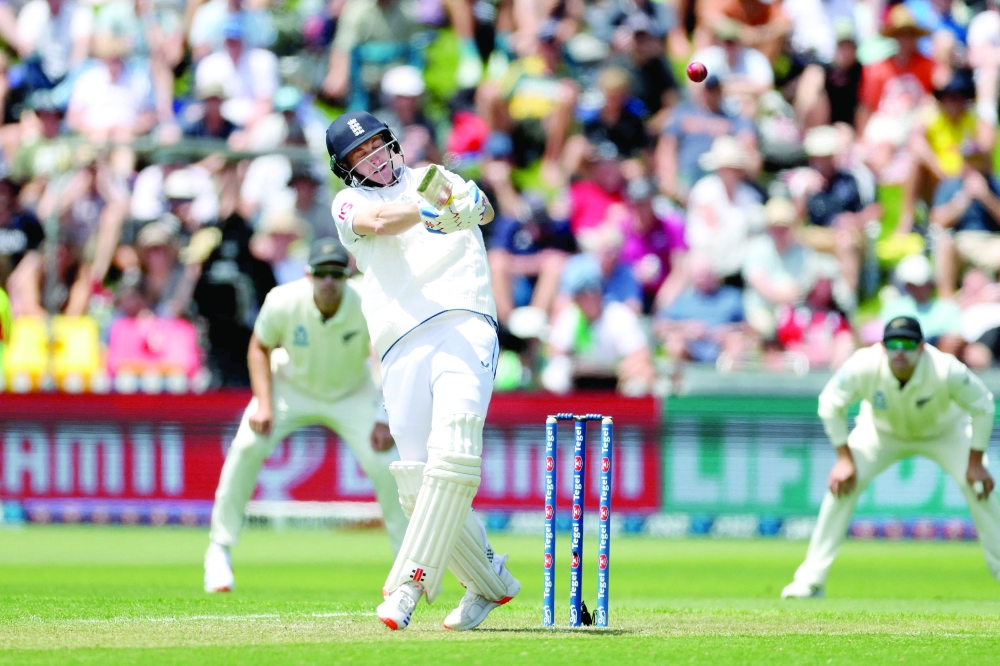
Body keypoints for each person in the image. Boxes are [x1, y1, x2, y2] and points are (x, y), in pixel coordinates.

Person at [326, 111, 520, 631]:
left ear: (391, 144)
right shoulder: (349, 203)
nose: (371, 158)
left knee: (454, 451)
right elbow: (382, 223)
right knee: (418, 483)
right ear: (346, 169)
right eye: (357, 156)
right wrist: (431, 209)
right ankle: (490, 581)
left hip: (464, 320)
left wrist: (468, 206)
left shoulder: (438, 175)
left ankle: (408, 586)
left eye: (375, 146)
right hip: (399, 343)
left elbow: (482, 210)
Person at [204, 238, 407, 593]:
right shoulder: (282, 300)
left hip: (352, 391)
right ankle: (218, 551)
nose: (329, 282)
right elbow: (260, 346)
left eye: (336, 274)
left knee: (386, 463)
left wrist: (381, 414)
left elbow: (387, 356)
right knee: (246, 446)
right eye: (321, 274)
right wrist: (264, 403)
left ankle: (406, 567)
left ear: (347, 276)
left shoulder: (368, 302)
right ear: (307, 275)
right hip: (290, 387)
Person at [782, 316, 1000, 598]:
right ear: (882, 347)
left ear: (921, 347)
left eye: (907, 344)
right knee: (840, 487)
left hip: (945, 433)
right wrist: (844, 459)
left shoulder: (947, 369)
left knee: (981, 487)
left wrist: (975, 463)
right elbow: (829, 404)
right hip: (880, 433)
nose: (900, 351)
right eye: (893, 344)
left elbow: (983, 406)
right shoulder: (863, 364)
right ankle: (810, 581)